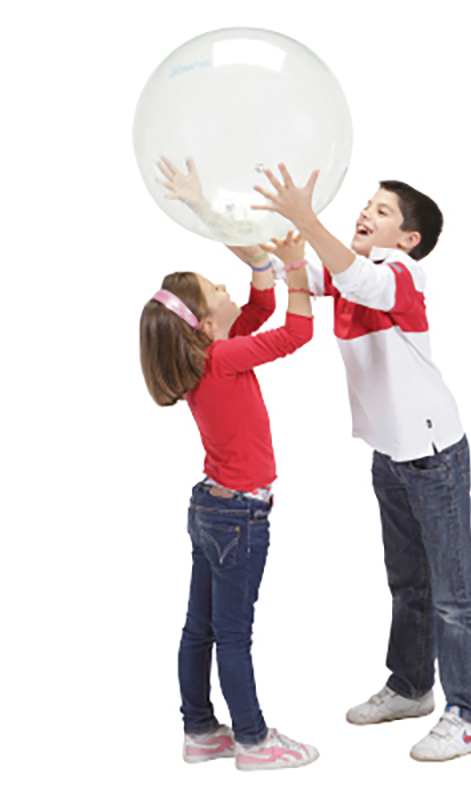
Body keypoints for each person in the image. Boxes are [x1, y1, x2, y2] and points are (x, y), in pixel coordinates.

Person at [252, 165, 471, 762]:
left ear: (408, 239)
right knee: (408, 583)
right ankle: (411, 688)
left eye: (382, 211)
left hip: (432, 456)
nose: (365, 213)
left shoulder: (402, 275)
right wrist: (211, 215)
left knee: (454, 594)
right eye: (368, 204)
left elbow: (359, 279)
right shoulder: (349, 275)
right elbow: (282, 265)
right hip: (390, 454)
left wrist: (307, 220)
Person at [139, 159, 319, 771]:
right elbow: (296, 331)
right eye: (216, 288)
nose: (225, 286)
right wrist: (296, 265)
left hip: (212, 508)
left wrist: (204, 209)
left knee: (201, 628)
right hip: (239, 515)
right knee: (234, 634)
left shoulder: (205, 356)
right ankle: (253, 741)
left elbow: (260, 303)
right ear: (208, 323)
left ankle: (200, 732)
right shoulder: (223, 358)